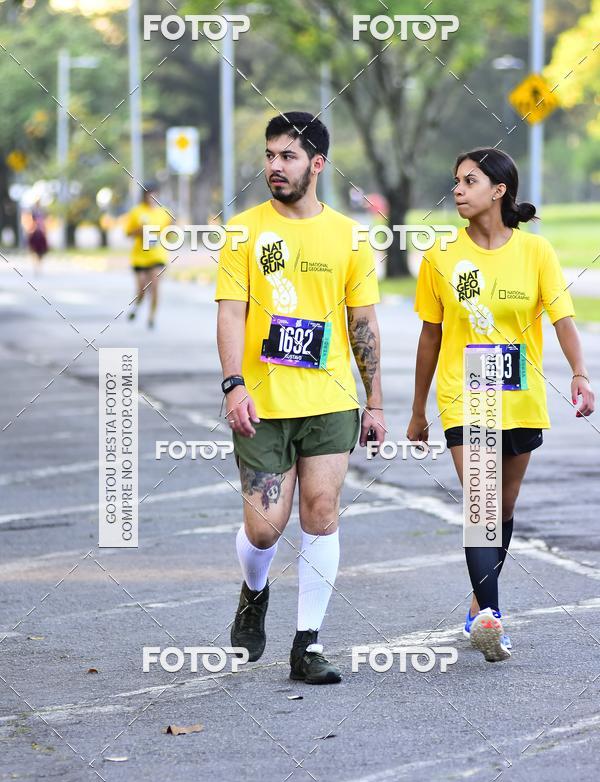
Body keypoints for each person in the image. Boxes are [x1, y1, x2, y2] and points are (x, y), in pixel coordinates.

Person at [215, 111, 386, 684]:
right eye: (269, 156)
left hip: (331, 399)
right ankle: (254, 589)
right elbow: (230, 314)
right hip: (263, 404)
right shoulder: (243, 231)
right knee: (265, 528)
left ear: (317, 163)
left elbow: (363, 323)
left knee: (321, 512)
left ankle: (307, 644)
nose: (274, 167)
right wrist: (234, 383)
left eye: (287, 156)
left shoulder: (349, 235)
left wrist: (375, 400)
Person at [407, 146, 594, 662]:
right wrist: (418, 409)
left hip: (519, 397)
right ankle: (492, 617)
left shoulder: (536, 253)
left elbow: (562, 320)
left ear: (499, 189)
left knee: (501, 510)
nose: (458, 191)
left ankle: (476, 605)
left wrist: (579, 374)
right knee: (482, 505)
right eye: (456, 182)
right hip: (463, 395)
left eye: (469, 181)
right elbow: (429, 337)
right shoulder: (440, 257)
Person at [123, 183, 173, 328]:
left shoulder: (164, 213)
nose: (152, 198)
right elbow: (128, 233)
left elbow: (169, 236)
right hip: (140, 257)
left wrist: (171, 229)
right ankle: (137, 307)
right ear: (144, 196)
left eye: (154, 195)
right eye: (149, 195)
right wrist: (139, 230)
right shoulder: (136, 212)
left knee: (156, 286)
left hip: (158, 256)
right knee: (142, 289)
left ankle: (152, 316)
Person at [27, 203, 48, 275]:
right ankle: (36, 267)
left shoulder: (42, 211)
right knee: (31, 236)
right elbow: (31, 220)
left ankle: (39, 266)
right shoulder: (33, 211)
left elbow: (44, 220)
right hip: (34, 227)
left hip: (41, 228)